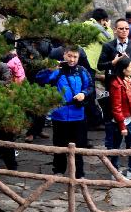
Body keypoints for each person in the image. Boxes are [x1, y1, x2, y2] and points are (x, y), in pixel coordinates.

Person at [36, 46, 94, 178]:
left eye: (75, 57)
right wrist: (50, 68)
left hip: (78, 115)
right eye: (69, 56)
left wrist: (84, 94)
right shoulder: (58, 71)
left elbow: (90, 86)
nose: (72, 59)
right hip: (60, 114)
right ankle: (58, 170)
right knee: (59, 145)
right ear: (64, 56)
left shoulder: (82, 71)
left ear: (78, 58)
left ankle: (79, 173)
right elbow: (39, 79)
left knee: (79, 146)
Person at [97, 19, 131, 149]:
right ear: (116, 30)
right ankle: (111, 148)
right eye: (121, 28)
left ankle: (130, 149)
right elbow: (100, 65)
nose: (124, 31)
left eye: (126, 29)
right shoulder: (108, 46)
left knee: (130, 116)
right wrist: (113, 62)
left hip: (130, 86)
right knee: (111, 117)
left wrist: (129, 61)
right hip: (113, 86)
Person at [108, 57, 131, 180]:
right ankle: (115, 172)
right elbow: (116, 107)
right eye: (130, 67)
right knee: (116, 147)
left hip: (128, 118)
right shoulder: (116, 84)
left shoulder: (128, 80)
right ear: (124, 70)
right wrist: (122, 125)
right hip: (119, 121)